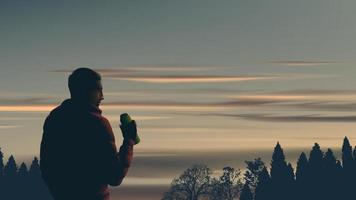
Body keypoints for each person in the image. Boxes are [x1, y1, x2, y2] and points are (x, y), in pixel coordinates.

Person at [40, 68, 137, 200]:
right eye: (99, 89)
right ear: (87, 91)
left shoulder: (55, 119)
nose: (102, 96)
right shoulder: (97, 124)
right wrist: (129, 141)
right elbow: (115, 176)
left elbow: (47, 169)